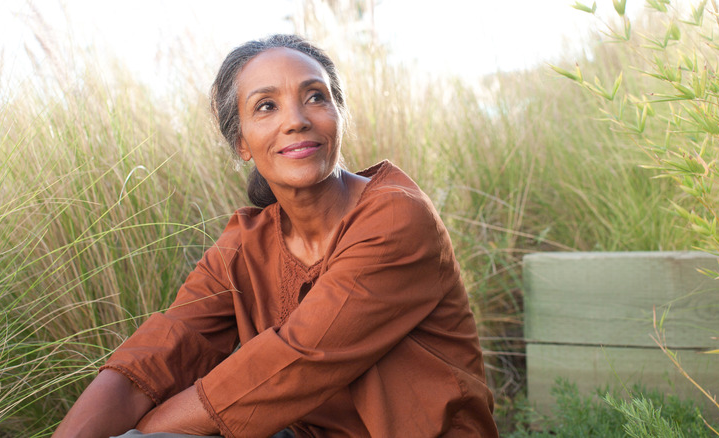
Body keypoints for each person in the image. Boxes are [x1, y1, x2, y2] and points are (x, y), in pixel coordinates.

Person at [53, 34, 498, 438]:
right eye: (267, 106)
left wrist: (143, 433)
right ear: (242, 143)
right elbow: (162, 351)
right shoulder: (246, 244)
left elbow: (298, 359)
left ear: (338, 116)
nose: (296, 120)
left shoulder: (396, 216)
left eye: (315, 98)